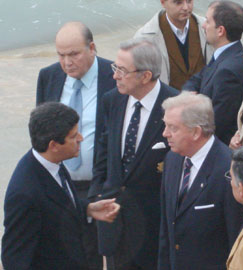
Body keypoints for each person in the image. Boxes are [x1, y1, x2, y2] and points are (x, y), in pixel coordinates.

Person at [87, 38, 178, 270]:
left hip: (155, 228)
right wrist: (97, 197)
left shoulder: (175, 106)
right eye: (115, 68)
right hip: (115, 223)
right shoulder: (112, 100)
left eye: (122, 70)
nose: (115, 75)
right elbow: (103, 155)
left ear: (145, 76)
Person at [1, 102, 120, 270]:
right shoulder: (24, 194)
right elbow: (15, 258)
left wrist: (87, 208)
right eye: (73, 136)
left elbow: (57, 202)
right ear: (54, 146)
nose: (81, 138)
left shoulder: (52, 163)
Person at [36, 21, 116, 269]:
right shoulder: (49, 76)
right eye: (61, 55)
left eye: (74, 54)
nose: (67, 62)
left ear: (92, 48)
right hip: (60, 185)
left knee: (99, 253)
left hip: (99, 185)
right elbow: (39, 133)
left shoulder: (113, 76)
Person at [159, 92, 243, 270]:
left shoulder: (229, 169)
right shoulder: (172, 160)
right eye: (165, 126)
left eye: (173, 128)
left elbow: (236, 237)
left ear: (196, 132)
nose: (165, 133)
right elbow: (166, 229)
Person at [182, 0, 243, 145]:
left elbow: (217, 123)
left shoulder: (229, 71)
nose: (203, 25)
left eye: (207, 22)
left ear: (220, 31)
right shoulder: (227, 55)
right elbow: (197, 79)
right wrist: (188, 94)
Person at [134, 0, 213, 90]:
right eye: (178, 2)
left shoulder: (210, 29)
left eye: (189, 1)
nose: (186, 7)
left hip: (206, 100)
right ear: (163, 3)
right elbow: (140, 80)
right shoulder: (144, 38)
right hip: (168, 101)